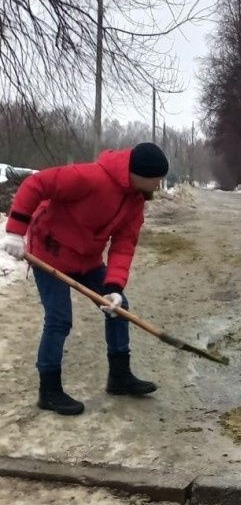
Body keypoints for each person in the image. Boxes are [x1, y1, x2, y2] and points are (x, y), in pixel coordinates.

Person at [0, 143, 169, 415]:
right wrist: (15, 231)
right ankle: (49, 390)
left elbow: (124, 244)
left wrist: (113, 286)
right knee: (59, 319)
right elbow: (36, 184)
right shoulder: (89, 177)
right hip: (49, 253)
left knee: (119, 308)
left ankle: (119, 376)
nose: (159, 186)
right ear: (140, 174)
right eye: (156, 180)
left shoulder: (135, 200)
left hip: (86, 261)